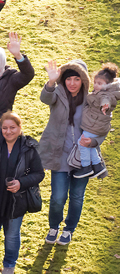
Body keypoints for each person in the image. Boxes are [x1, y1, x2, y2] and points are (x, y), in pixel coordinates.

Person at [0, 113, 44, 274]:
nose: (8, 131)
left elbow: (39, 174)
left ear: (20, 128)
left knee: (12, 236)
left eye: (12, 128)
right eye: (5, 128)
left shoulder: (29, 147)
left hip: (16, 201)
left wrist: (21, 183)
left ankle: (9, 265)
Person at [39, 60, 97, 245]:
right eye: (69, 79)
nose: (72, 83)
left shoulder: (91, 100)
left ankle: (69, 229)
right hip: (60, 155)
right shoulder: (57, 93)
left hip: (83, 157)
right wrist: (50, 82)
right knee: (57, 197)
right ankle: (54, 226)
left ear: (84, 80)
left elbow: (101, 128)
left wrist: (94, 141)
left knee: (77, 197)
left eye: (76, 79)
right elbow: (45, 98)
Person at [71, 62, 119, 178]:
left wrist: (105, 105)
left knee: (82, 143)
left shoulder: (105, 94)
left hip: (94, 125)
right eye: (95, 83)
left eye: (100, 83)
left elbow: (105, 99)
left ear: (107, 85)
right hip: (96, 125)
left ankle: (86, 167)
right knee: (89, 145)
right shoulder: (103, 92)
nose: (96, 85)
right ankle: (98, 166)